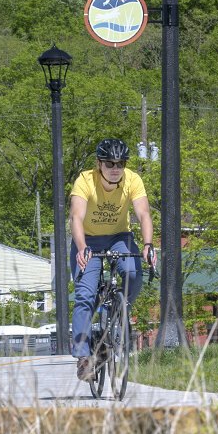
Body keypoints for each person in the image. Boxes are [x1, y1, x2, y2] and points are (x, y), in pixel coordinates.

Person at [68, 138, 154, 380]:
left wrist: (148, 245)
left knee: (134, 273)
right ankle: (85, 357)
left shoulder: (133, 180)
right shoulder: (85, 181)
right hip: (88, 239)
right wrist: (82, 247)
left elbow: (144, 213)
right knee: (85, 295)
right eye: (110, 163)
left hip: (119, 237)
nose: (116, 168)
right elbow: (76, 217)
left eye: (121, 163)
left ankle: (117, 316)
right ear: (99, 164)